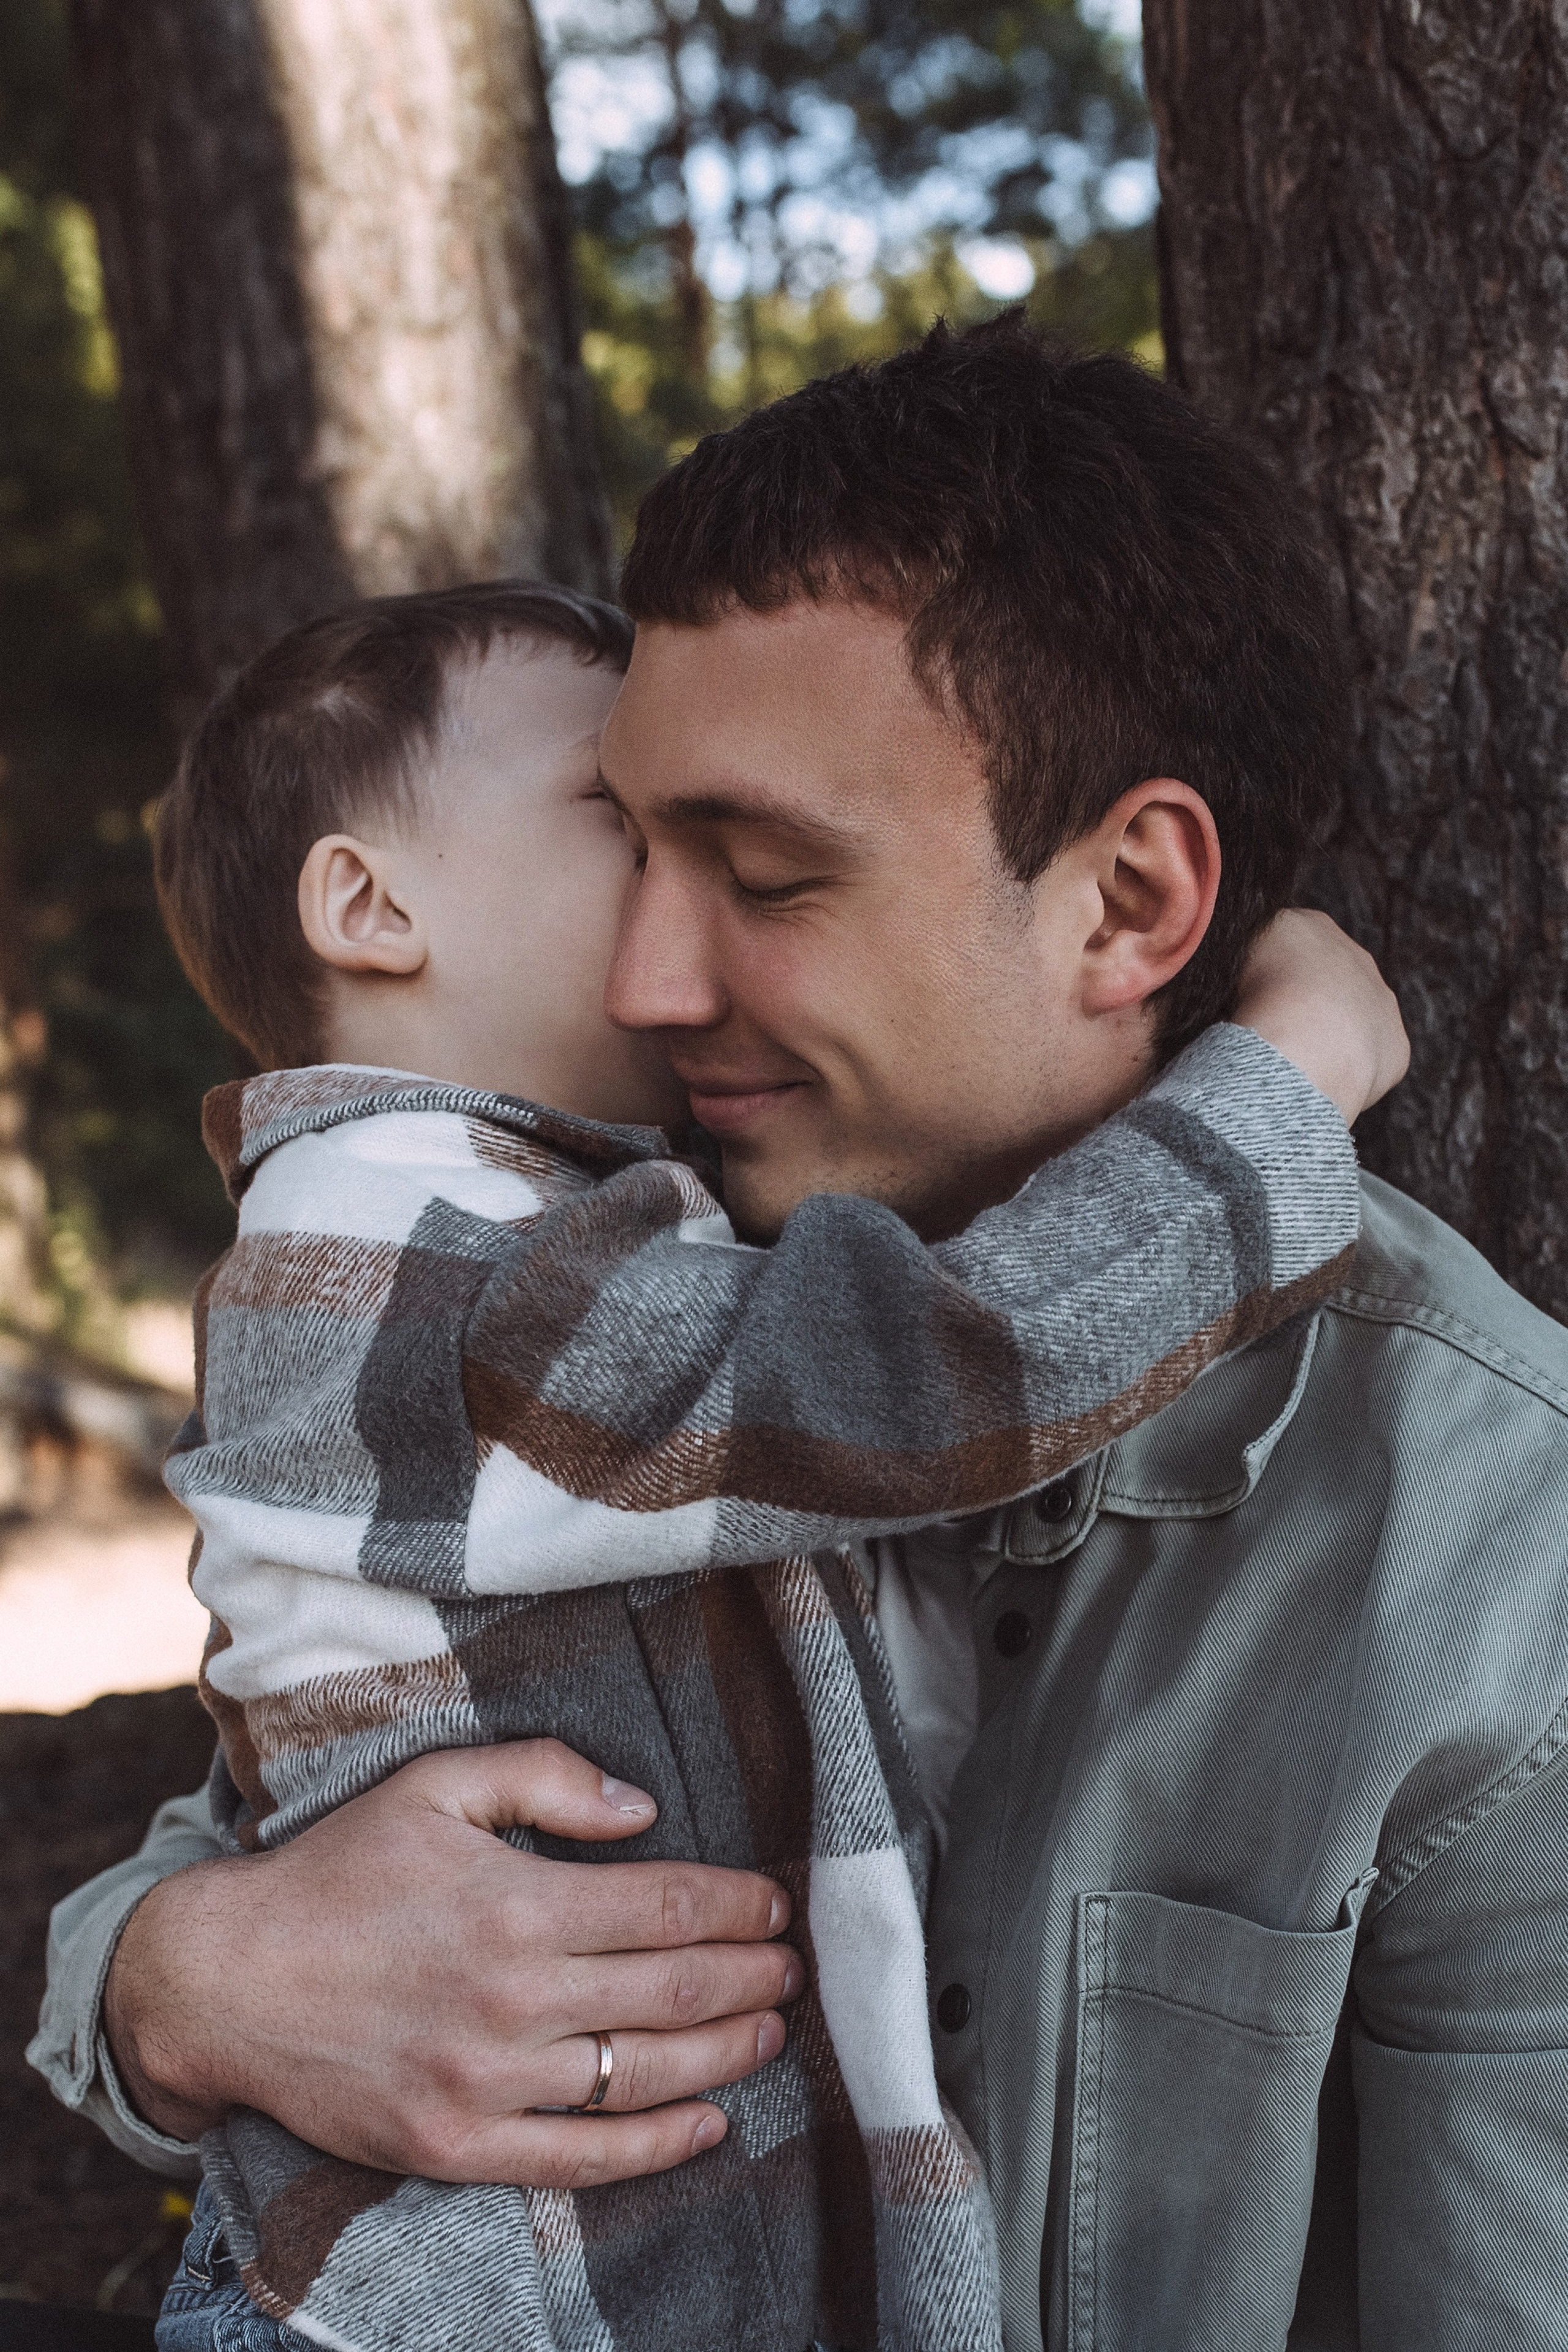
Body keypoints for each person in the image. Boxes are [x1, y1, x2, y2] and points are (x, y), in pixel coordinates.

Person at [38, 315, 1568, 2351]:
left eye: (760, 875)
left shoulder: (1483, 1535)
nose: (653, 977)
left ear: (1130, 901)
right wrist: (191, 1983)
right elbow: (271, 1777)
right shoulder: (558, 1262)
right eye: (628, 842)